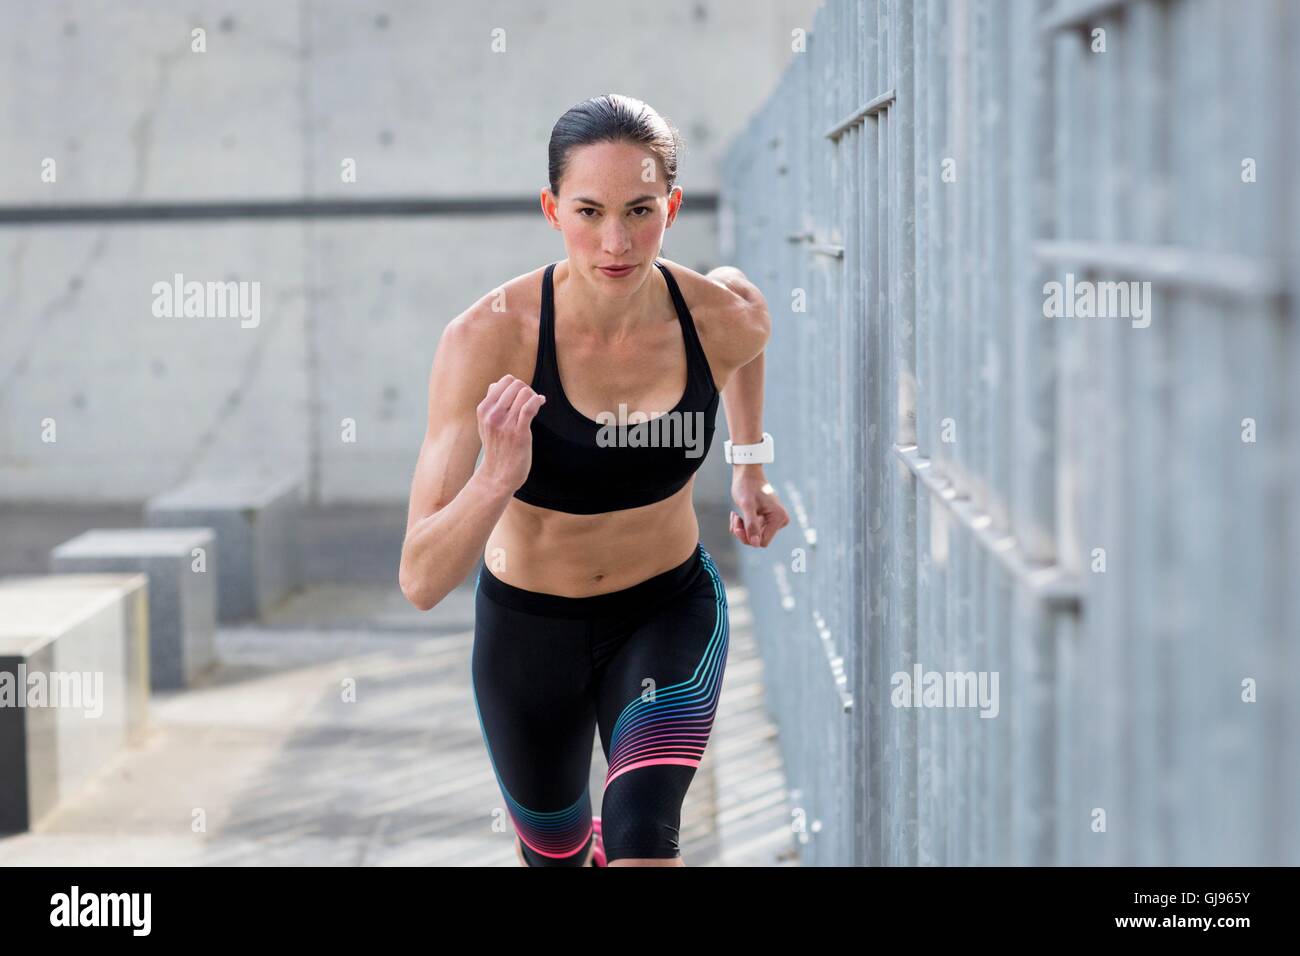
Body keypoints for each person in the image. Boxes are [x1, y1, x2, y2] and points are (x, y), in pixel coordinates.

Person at [399, 93, 789, 866]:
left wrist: (749, 469)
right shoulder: (488, 337)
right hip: (528, 635)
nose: (616, 241)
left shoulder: (715, 318)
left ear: (672, 206)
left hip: (666, 611)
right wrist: (494, 481)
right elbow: (419, 577)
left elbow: (747, 326)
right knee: (557, 853)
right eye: (589, 211)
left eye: (641, 210)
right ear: (551, 209)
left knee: (644, 832)